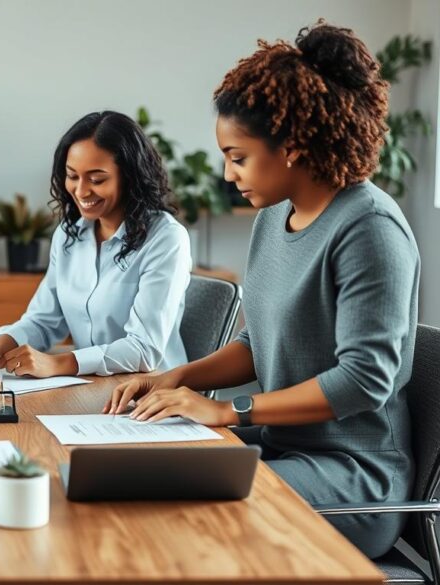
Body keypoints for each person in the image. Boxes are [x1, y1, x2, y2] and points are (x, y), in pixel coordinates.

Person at [106, 21, 419, 559]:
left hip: (354, 479)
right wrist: (176, 377)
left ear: (294, 146)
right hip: (284, 451)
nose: (228, 175)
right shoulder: (273, 219)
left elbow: (364, 381)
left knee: (174, 515)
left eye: (238, 156)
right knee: (134, 473)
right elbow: (261, 343)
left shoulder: (369, 228)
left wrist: (231, 412)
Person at [0, 111, 191, 378]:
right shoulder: (69, 234)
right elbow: (43, 320)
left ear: (130, 177)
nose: (81, 191)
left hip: (154, 394)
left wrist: (57, 363)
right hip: (93, 389)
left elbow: (144, 349)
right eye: (72, 176)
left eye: (97, 179)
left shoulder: (166, 239)